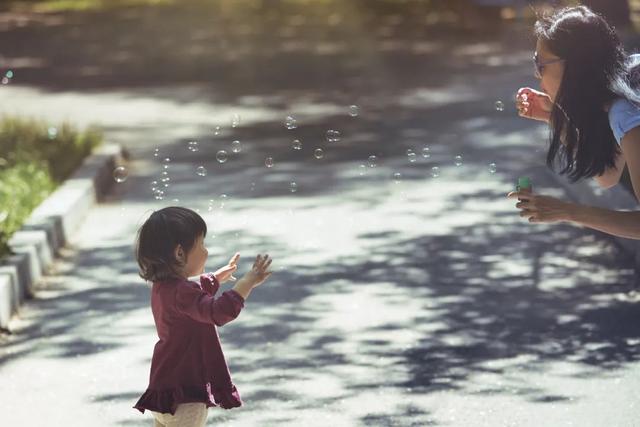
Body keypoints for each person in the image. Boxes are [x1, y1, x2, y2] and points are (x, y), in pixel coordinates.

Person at [133, 206, 273, 426]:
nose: (206, 251)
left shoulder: (162, 287)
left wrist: (215, 278)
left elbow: (192, 297)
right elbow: (217, 312)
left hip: (163, 393)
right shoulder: (183, 292)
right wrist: (246, 283)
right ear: (179, 253)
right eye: (202, 244)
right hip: (186, 399)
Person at [511, 5, 640, 240]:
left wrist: (567, 211)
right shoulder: (622, 80)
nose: (536, 75)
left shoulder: (628, 112)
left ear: (574, 65)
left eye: (541, 65)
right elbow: (606, 174)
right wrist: (555, 116)